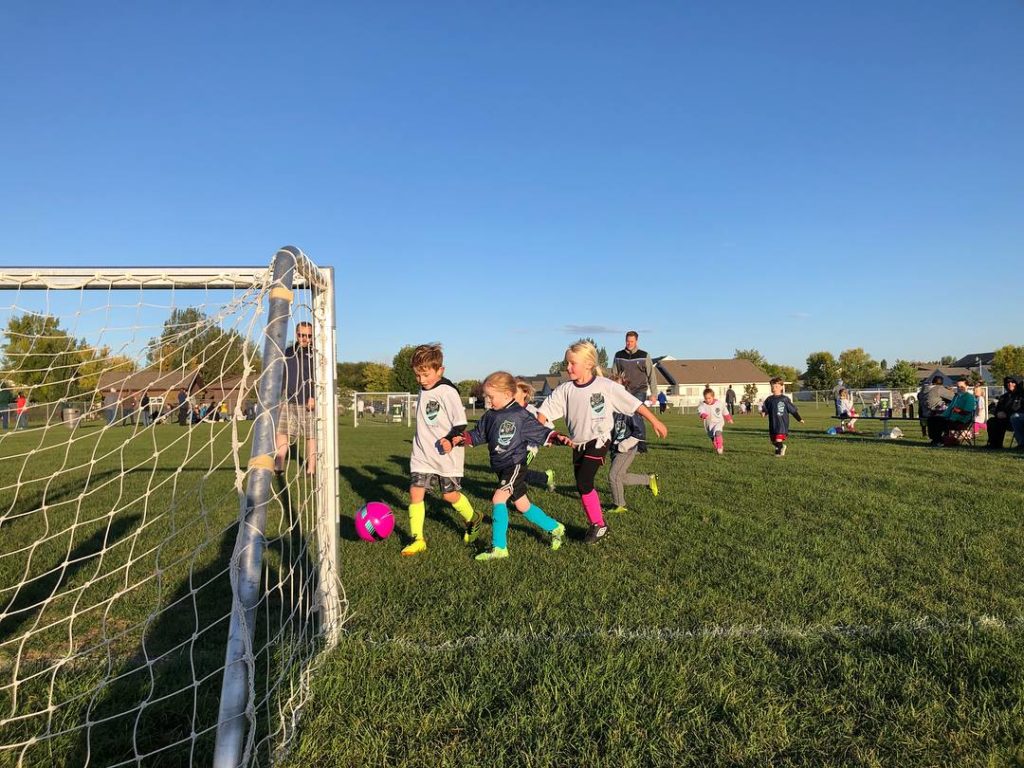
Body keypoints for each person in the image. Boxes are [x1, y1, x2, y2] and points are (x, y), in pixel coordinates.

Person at [538, 340, 668, 544]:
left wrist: (655, 421)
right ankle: (598, 523)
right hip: (577, 443)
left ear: (589, 364)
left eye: (573, 363)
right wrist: (542, 434)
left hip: (599, 440)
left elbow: (634, 404)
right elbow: (543, 414)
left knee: (584, 481)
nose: (568, 367)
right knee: (582, 487)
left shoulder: (605, 386)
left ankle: (599, 525)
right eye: (567, 363)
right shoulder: (565, 390)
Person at [442, 372, 567, 561]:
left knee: (498, 499)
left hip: (515, 464)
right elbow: (479, 434)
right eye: (487, 397)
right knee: (523, 505)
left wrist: (556, 437)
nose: (489, 401)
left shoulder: (520, 414)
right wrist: (463, 438)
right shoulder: (490, 416)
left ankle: (499, 547)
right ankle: (556, 527)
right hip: (500, 466)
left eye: (492, 397)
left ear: (508, 394)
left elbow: (539, 431)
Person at [401, 343, 480, 556]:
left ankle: (473, 518)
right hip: (422, 453)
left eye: (426, 375)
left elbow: (460, 422)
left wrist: (449, 440)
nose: (421, 380)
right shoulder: (422, 389)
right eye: (418, 375)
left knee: (449, 496)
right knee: (415, 492)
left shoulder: (448, 391)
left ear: (440, 370)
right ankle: (418, 538)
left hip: (447, 454)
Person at [607, 382, 659, 514]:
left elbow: (639, 433)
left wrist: (625, 445)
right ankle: (649, 479)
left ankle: (619, 505)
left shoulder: (631, 412)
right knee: (621, 477)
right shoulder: (609, 410)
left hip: (627, 449)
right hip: (615, 448)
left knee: (614, 475)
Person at [275, 321, 318, 477]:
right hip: (288, 400)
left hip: (307, 402)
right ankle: (278, 465)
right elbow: (283, 375)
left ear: (312, 336)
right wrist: (280, 398)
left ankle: (311, 468)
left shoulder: (315, 353)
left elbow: (316, 378)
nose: (304, 338)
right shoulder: (288, 351)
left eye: (308, 336)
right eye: (301, 335)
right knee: (281, 432)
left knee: (310, 435)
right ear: (296, 334)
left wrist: (313, 396)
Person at [612, 331, 658, 453]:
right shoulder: (618, 355)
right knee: (624, 415)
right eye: (627, 341)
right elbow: (614, 375)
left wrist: (654, 393)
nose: (629, 343)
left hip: (640, 390)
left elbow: (651, 375)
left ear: (636, 341)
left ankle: (641, 444)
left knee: (636, 413)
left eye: (632, 341)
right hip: (624, 391)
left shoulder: (644, 355)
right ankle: (624, 440)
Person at [514, 380, 556, 492]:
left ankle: (517, 498)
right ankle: (546, 477)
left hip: (529, 449)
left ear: (525, 393)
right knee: (514, 473)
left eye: (515, 390)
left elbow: (548, 425)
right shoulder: (508, 410)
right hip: (512, 449)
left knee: (516, 473)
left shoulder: (532, 411)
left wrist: (549, 439)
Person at [760, 377, 804, 457]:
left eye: (776, 386)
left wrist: (799, 419)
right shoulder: (769, 400)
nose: (774, 388)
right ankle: (782, 447)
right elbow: (766, 409)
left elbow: (793, 410)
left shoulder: (784, 399)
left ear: (781, 387)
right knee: (774, 441)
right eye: (772, 387)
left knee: (778, 439)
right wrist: (764, 413)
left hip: (782, 424)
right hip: (773, 423)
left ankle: (778, 453)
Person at [985, 377, 1024, 449]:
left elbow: (1020, 409)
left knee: (1014, 417)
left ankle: (1022, 444)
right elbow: (997, 409)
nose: (1010, 384)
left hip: (1016, 420)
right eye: (1008, 383)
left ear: (1017, 384)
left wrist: (1007, 414)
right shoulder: (1004, 397)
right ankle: (994, 444)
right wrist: (998, 413)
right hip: (1004, 420)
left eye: (1013, 382)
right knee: (992, 421)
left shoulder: (1021, 395)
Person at [938, 380, 977, 445]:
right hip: (951, 419)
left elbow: (967, 412)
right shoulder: (956, 396)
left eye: (962, 386)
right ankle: (937, 440)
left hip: (962, 421)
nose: (959, 388)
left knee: (940, 422)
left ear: (967, 386)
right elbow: (949, 409)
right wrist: (941, 415)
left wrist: (958, 410)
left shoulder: (969, 397)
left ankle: (943, 440)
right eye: (958, 387)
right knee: (933, 419)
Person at [698, 386, 733, 454]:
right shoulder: (703, 405)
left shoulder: (719, 403)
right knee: (712, 438)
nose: (708, 400)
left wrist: (729, 418)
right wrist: (703, 415)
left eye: (709, 398)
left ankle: (720, 447)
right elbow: (700, 411)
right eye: (706, 398)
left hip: (718, 422)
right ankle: (717, 447)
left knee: (717, 432)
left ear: (713, 397)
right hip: (708, 424)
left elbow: (724, 411)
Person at [922, 375, 954, 446]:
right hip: (937, 413)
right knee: (947, 416)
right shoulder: (938, 388)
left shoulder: (924, 388)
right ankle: (943, 439)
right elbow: (953, 397)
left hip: (925, 413)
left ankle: (935, 440)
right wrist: (949, 390)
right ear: (941, 383)